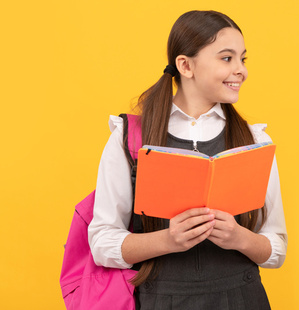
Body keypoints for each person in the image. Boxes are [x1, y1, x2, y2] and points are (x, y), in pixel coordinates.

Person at [87, 10, 287, 309]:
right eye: (227, 58)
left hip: (242, 298)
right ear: (185, 65)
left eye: (242, 59)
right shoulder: (128, 137)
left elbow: (277, 247)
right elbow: (102, 243)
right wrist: (169, 240)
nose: (241, 71)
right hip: (160, 300)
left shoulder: (255, 140)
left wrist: (237, 237)